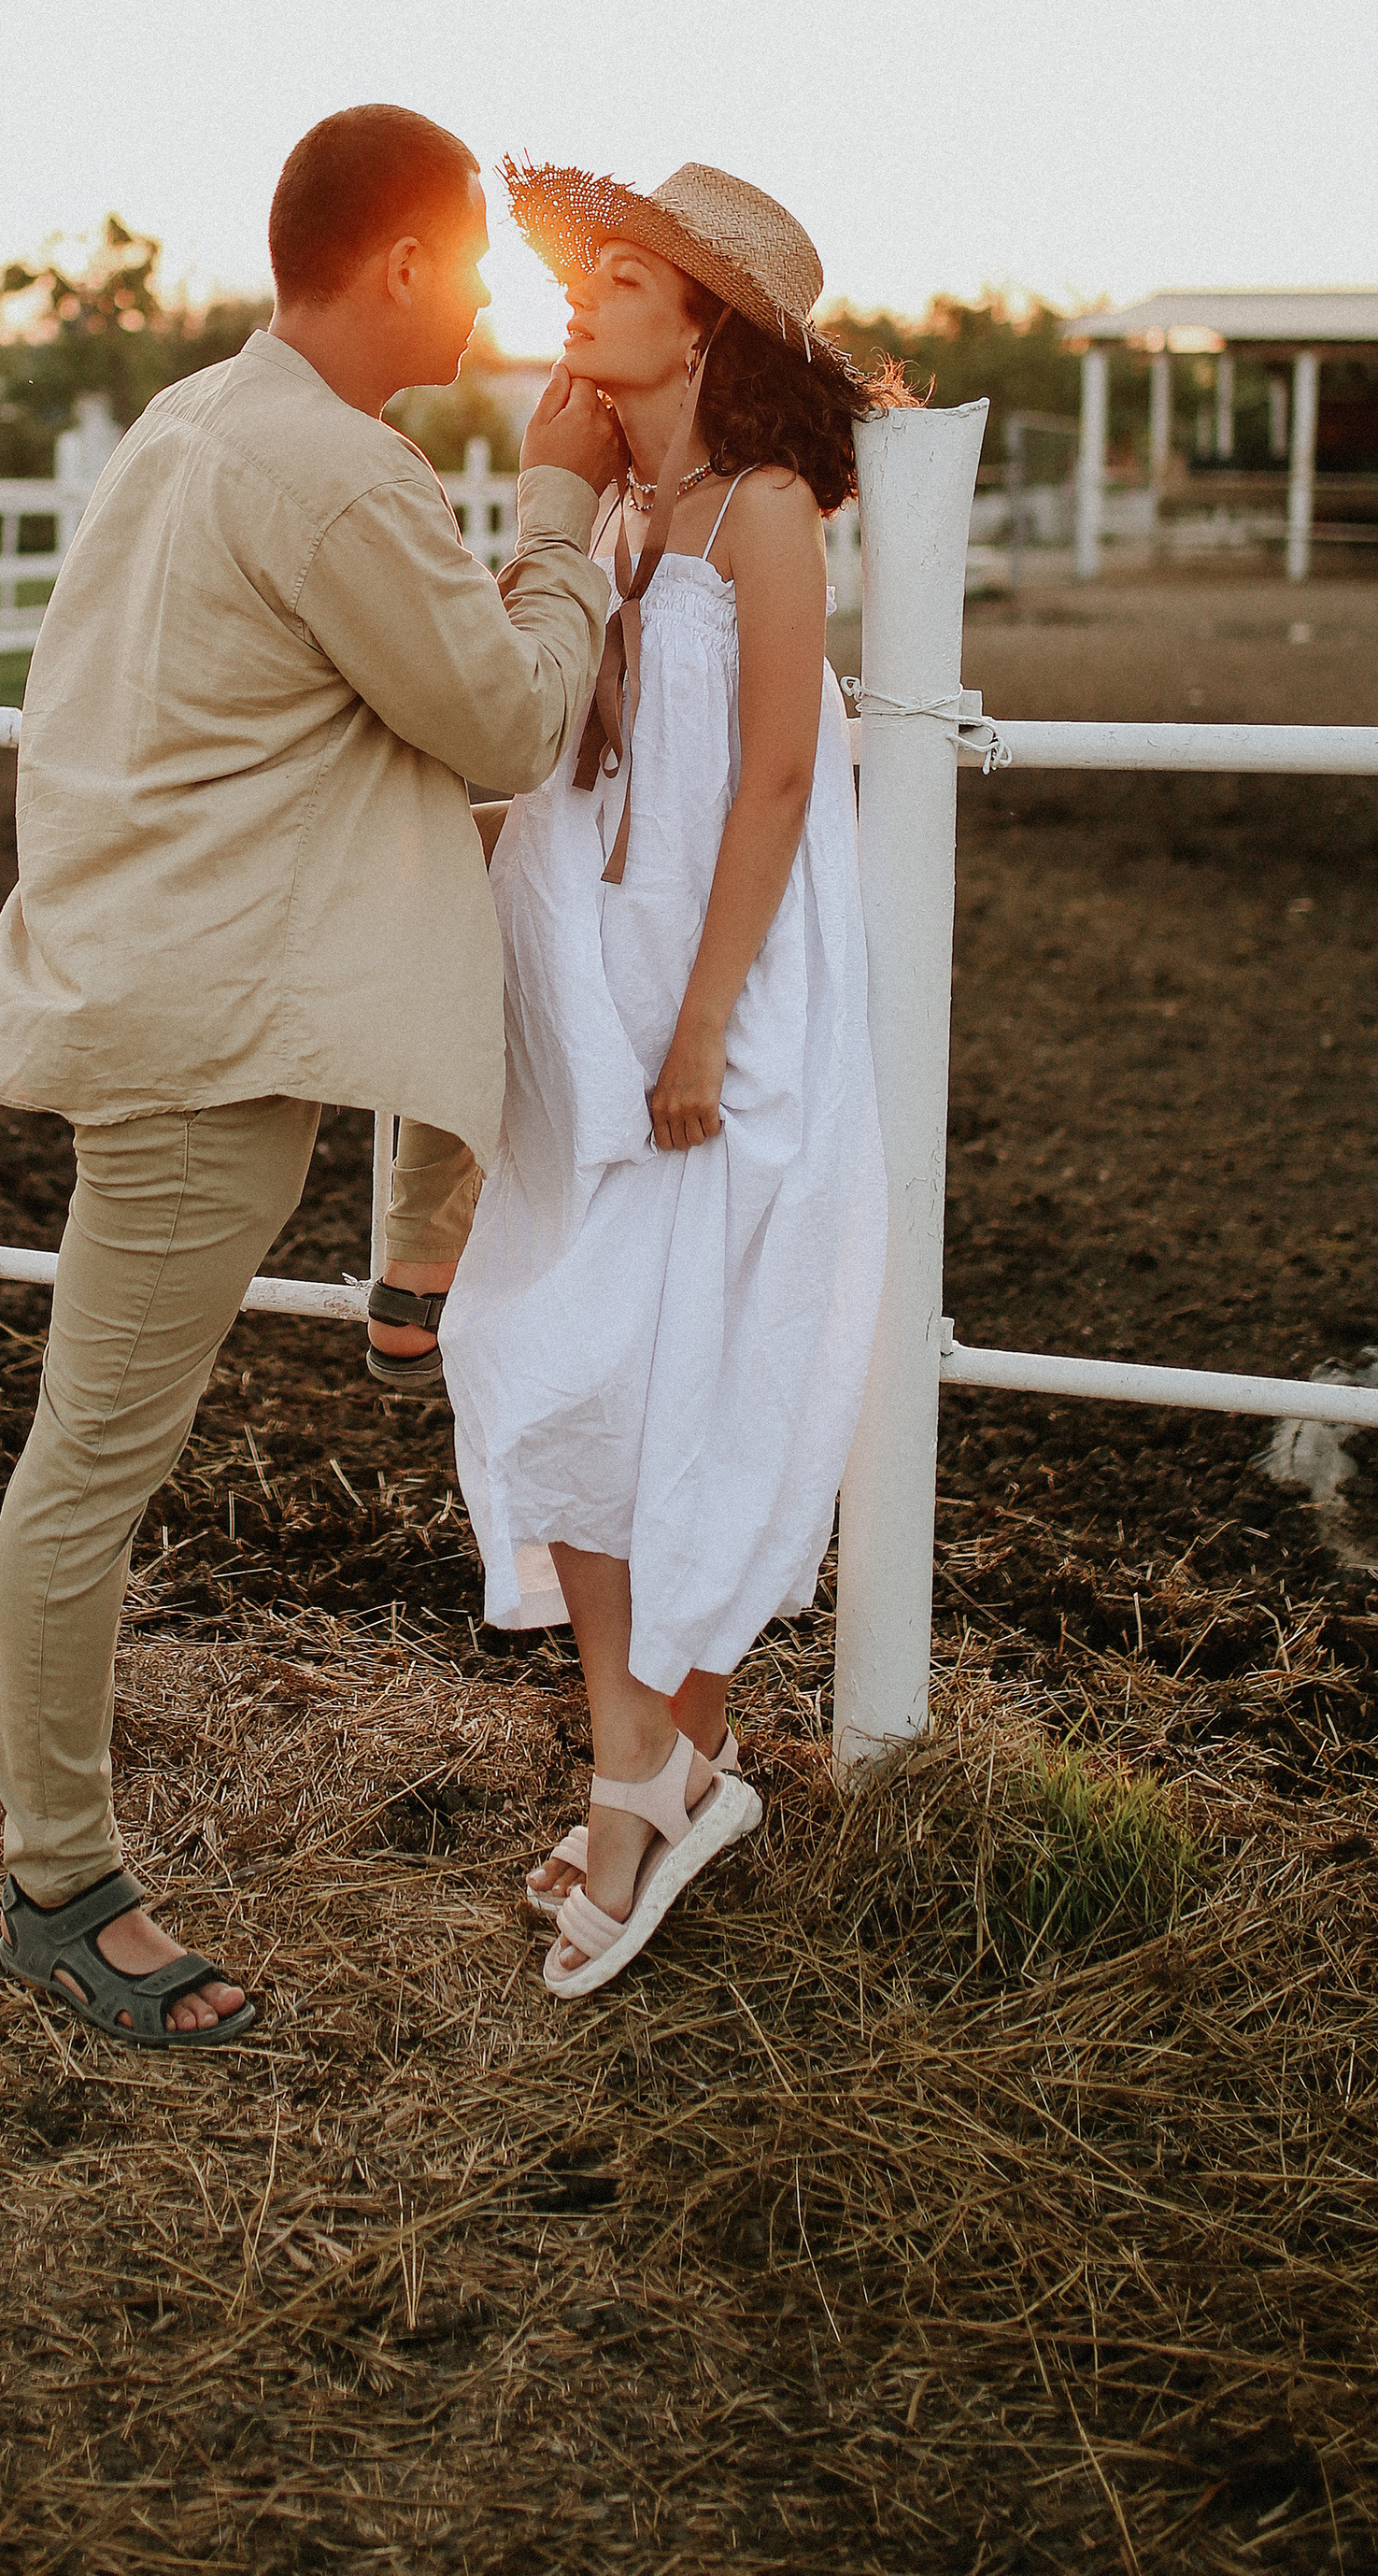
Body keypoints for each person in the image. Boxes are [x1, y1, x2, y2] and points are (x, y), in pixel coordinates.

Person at [0, 103, 621, 2045]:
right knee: (91, 1460)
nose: (494, 302)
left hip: (148, 978)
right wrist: (558, 521)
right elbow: (503, 721)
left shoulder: (189, 424)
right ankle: (55, 1884)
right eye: (476, 265)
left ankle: (411, 1266)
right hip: (201, 1029)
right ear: (406, 262)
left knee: (89, 1447)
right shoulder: (339, 477)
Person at [400, 160, 898, 2000]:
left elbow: (776, 779)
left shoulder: (762, 509)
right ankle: (657, 1767)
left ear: (704, 324)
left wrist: (699, 1026)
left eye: (618, 280)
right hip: (599, 1026)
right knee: (561, 1380)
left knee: (664, 1403)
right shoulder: (617, 510)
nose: (576, 299)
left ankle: (637, 1792)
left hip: (719, 1022)